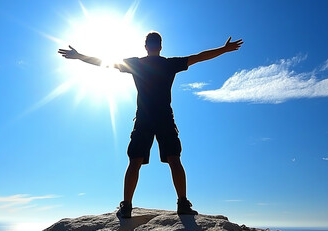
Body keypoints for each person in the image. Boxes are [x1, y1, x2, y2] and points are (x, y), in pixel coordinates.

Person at [58, 32, 243, 218]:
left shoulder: (136, 63)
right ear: (160, 46)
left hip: (144, 118)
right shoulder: (169, 63)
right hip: (164, 118)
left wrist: (79, 56)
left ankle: (127, 207)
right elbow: (199, 57)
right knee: (174, 159)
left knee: (135, 161)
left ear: (146, 46)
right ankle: (182, 204)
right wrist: (224, 49)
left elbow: (106, 62)